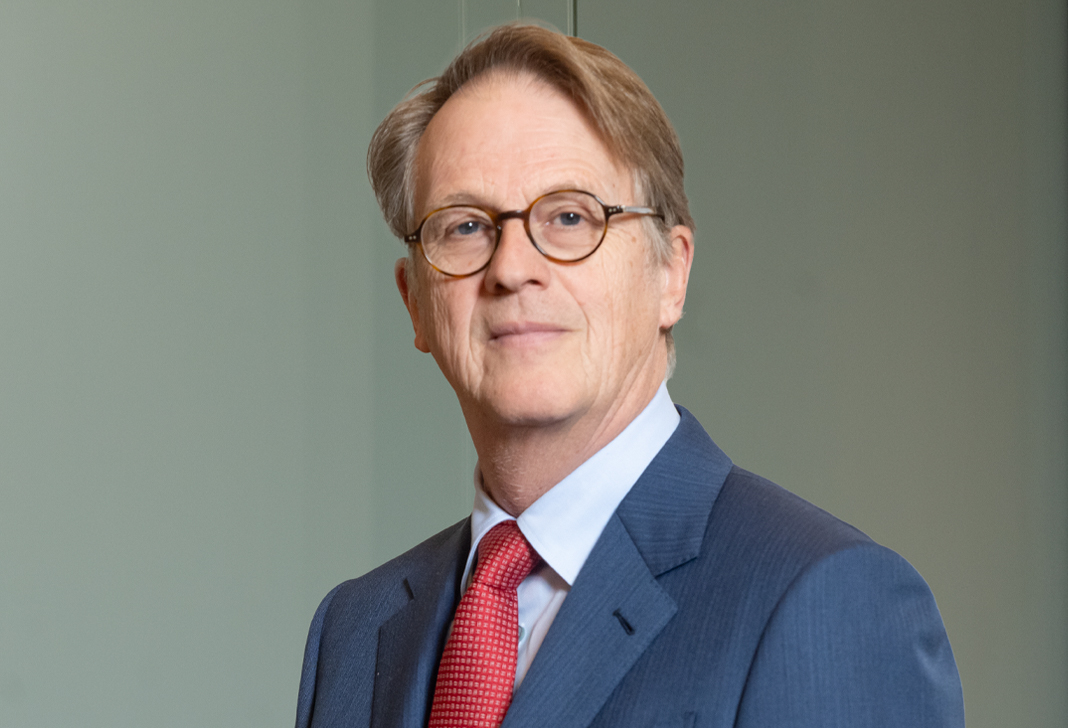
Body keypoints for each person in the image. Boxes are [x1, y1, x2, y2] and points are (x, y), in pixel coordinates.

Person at [295, 23, 964, 728]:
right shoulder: (355, 629)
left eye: (569, 217)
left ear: (671, 274)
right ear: (415, 304)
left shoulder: (827, 599)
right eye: (465, 227)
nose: (513, 268)